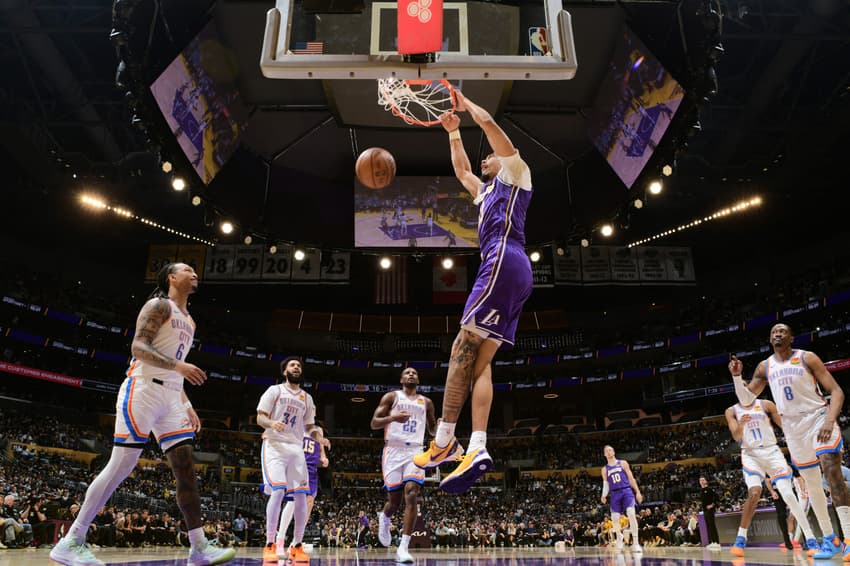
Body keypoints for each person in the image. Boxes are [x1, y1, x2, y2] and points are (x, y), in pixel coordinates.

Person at [50, 263, 235, 566]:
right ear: (171, 277)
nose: (194, 272)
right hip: (143, 389)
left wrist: (186, 404)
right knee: (122, 465)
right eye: (187, 269)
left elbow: (175, 364)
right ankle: (72, 540)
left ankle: (198, 546)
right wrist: (179, 369)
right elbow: (138, 347)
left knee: (186, 467)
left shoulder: (190, 320)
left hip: (171, 396)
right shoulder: (159, 305)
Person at [413, 91, 534, 493]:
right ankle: (478, 444)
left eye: (489, 158)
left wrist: (465, 102)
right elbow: (463, 171)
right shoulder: (485, 193)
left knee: (460, 348)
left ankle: (445, 439)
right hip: (511, 269)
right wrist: (452, 132)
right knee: (480, 363)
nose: (485, 161)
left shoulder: (516, 173)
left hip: (502, 259)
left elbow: (493, 128)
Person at [730, 323, 849, 559]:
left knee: (831, 471)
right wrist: (736, 376)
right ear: (770, 339)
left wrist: (829, 420)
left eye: (782, 331)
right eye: (773, 331)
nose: (777, 334)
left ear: (791, 337)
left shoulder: (808, 358)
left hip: (817, 418)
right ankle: (830, 539)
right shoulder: (765, 366)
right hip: (793, 429)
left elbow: (836, 391)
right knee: (812, 484)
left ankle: (848, 536)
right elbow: (745, 398)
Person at [724, 398, 817, 556]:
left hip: (771, 451)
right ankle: (741, 539)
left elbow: (784, 426)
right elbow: (736, 436)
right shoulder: (732, 410)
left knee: (787, 494)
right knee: (754, 493)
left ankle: (810, 538)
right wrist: (742, 424)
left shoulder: (766, 404)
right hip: (750, 453)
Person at [371, 367, 437, 563]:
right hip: (393, 450)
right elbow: (374, 423)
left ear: (418, 379)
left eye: (415, 373)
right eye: (407, 373)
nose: (411, 375)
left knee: (412, 493)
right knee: (394, 502)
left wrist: (438, 427)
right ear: (401, 379)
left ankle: (403, 547)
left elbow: (432, 431)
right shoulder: (392, 397)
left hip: (415, 451)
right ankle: (384, 517)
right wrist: (393, 418)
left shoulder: (427, 402)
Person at [257, 356, 316, 563]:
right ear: (285, 372)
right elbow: (260, 417)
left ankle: (297, 546)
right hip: (274, 445)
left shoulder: (307, 398)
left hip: (296, 448)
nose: (297, 367)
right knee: (279, 489)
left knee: (301, 496)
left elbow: (310, 427)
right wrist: (272, 423)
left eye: (299, 365)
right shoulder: (274, 391)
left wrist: (319, 437)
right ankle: (270, 544)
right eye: (292, 365)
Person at [276, 428, 330, 550]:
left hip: (312, 470)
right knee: (293, 501)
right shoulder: (296, 425)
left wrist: (323, 457)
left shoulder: (318, 430)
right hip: (298, 466)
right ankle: (280, 537)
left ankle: (296, 542)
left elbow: (321, 447)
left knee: (309, 502)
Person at [600, 445, 643, 553]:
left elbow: (631, 478)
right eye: (606, 451)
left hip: (626, 491)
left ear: (614, 452)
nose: (608, 452)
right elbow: (606, 484)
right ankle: (619, 537)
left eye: (610, 450)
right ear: (605, 454)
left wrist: (637, 492)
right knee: (614, 518)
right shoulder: (604, 469)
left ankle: (636, 543)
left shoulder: (623, 463)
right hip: (615, 494)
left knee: (631, 514)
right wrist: (604, 495)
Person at [699, 477, 721, 550]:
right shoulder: (701, 491)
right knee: (708, 526)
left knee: (712, 525)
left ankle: (717, 542)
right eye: (700, 480)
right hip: (705, 510)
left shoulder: (710, 489)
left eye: (703, 480)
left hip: (710, 510)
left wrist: (712, 505)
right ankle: (712, 541)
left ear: (706, 481)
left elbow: (717, 498)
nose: (701, 481)